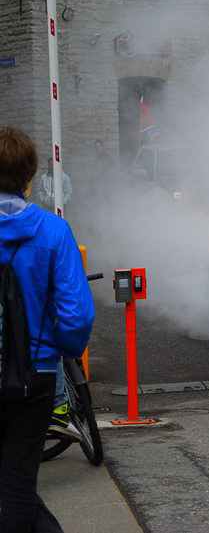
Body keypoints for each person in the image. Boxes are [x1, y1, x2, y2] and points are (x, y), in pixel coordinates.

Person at [0, 127, 95, 531]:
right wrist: (64, 349)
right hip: (35, 373)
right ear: (29, 177)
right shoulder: (54, 232)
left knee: (12, 483)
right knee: (18, 479)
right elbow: (76, 316)